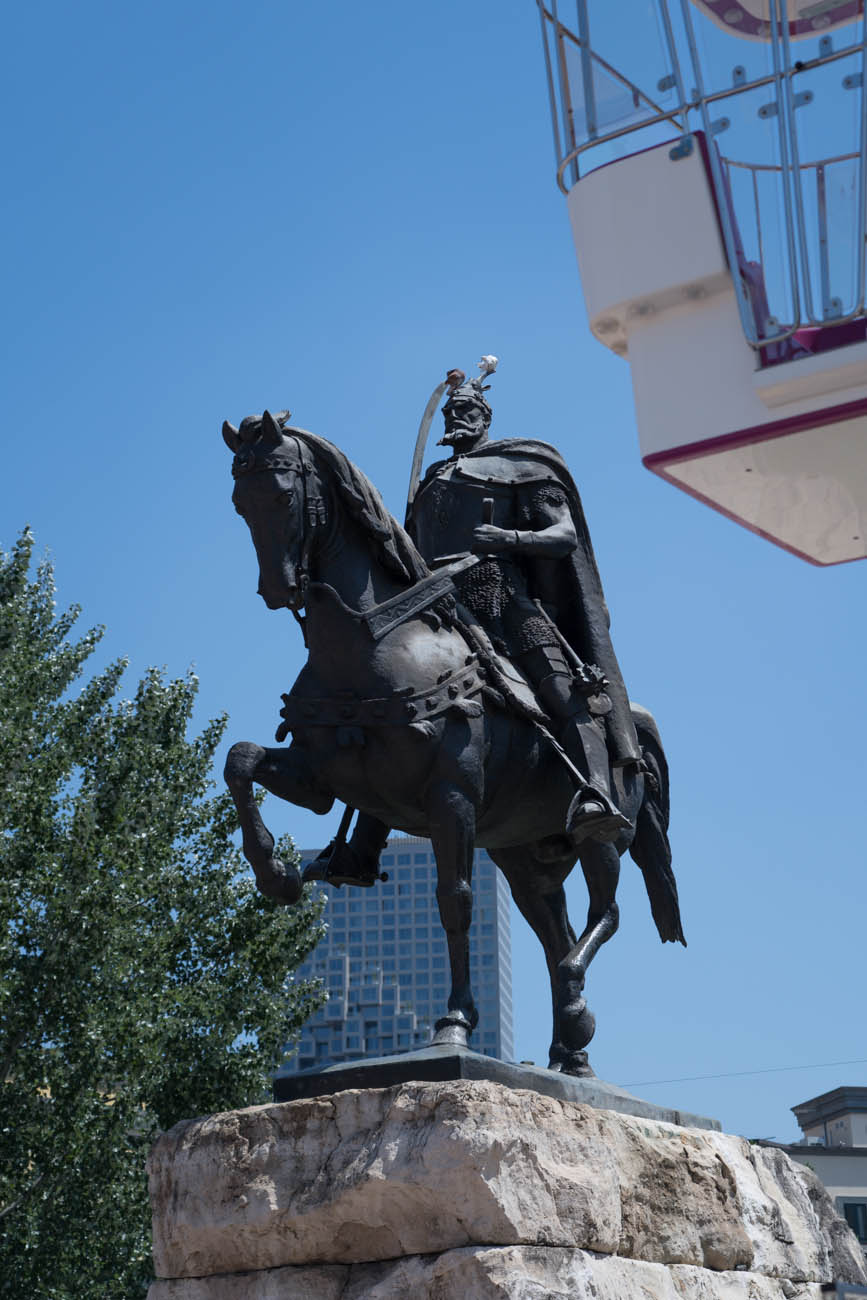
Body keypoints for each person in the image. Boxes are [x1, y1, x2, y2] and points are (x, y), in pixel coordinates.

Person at [312, 367, 640, 886]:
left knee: (561, 688)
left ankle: (596, 794)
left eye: (466, 412)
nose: (455, 420)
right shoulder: (432, 483)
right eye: (450, 413)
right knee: (392, 702)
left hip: (502, 596)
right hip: (435, 606)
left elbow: (564, 536)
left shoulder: (520, 468)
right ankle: (361, 850)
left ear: (485, 416)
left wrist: (506, 538)